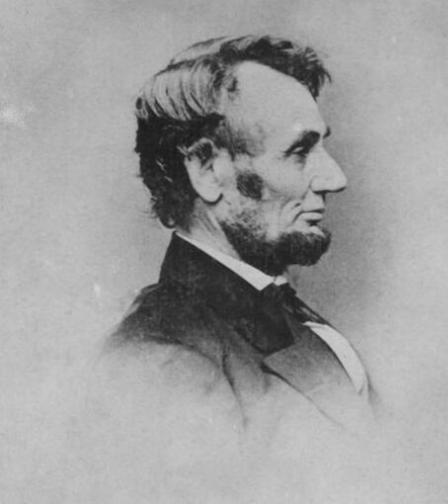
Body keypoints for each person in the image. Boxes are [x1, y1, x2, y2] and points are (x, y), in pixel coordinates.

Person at [77, 35, 378, 503]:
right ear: (207, 170)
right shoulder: (162, 361)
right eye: (299, 151)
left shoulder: (278, 315)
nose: (335, 178)